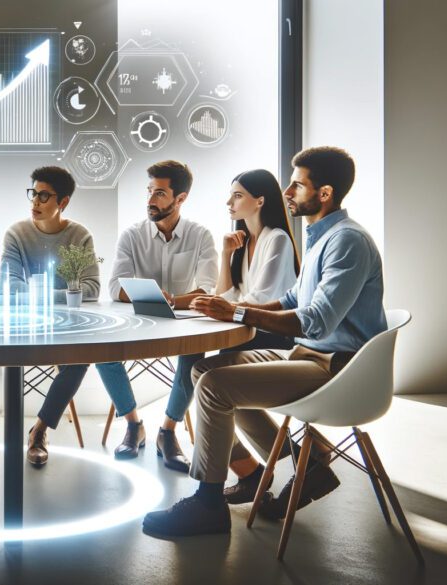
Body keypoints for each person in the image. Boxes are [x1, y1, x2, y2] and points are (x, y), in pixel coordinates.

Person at [143, 146, 387, 539]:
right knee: (205, 370)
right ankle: (305, 468)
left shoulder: (347, 242)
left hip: (337, 367)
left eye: (297, 184)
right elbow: (292, 300)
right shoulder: (322, 237)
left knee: (215, 388)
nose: (287, 192)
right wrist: (230, 307)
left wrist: (237, 313)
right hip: (311, 354)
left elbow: (316, 319)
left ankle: (208, 503)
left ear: (324, 193)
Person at [95, 161, 218, 472]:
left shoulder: (200, 236)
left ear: (181, 198)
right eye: (149, 191)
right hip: (139, 323)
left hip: (182, 323)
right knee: (102, 352)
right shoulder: (132, 235)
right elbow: (114, 288)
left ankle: (168, 430)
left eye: (160, 193)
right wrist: (147, 295)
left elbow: (208, 291)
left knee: (195, 358)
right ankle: (134, 424)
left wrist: (174, 300)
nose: (150, 200)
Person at [212, 169, 301, 502]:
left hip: (275, 339)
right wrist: (225, 255)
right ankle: (267, 464)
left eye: (237, 195)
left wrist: (224, 306)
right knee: (202, 374)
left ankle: (256, 470)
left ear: (259, 200)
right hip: (251, 334)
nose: (229, 202)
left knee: (207, 378)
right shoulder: (245, 241)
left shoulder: (276, 238)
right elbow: (227, 295)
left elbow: (261, 301)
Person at [0, 166, 98, 468]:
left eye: (44, 195)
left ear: (63, 202)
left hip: (67, 326)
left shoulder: (79, 235)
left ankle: (39, 429)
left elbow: (92, 289)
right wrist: (67, 294)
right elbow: (10, 288)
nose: (36, 202)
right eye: (33, 193)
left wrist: (36, 294)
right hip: (23, 324)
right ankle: (18, 431)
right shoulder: (16, 233)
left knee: (83, 355)